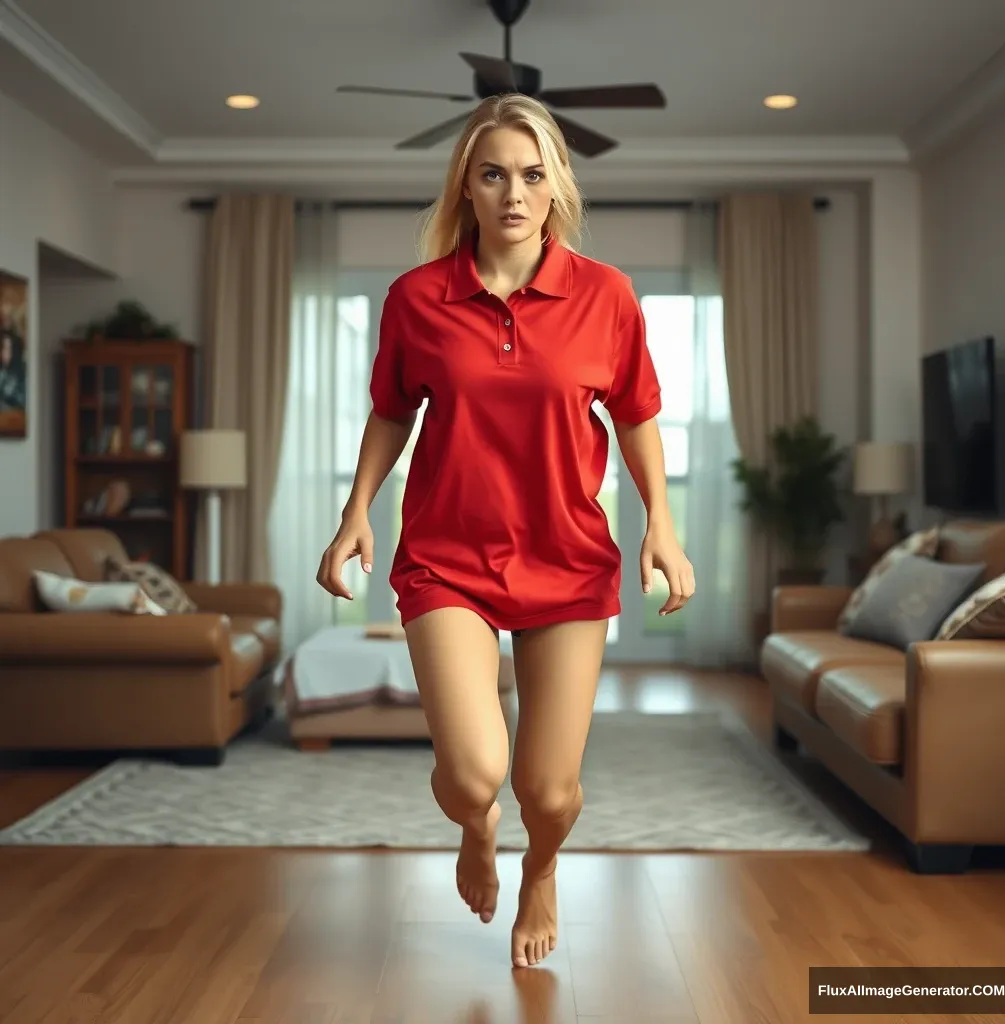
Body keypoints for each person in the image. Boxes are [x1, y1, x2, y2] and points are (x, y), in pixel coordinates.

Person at [317, 93, 695, 968]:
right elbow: (390, 411)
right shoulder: (417, 298)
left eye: (531, 174)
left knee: (551, 792)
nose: (513, 193)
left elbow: (637, 415)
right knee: (474, 776)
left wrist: (661, 530)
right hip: (446, 558)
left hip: (567, 560)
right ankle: (477, 833)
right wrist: (354, 513)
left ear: (555, 185)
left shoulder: (606, 296)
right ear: (467, 188)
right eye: (493, 174)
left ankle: (542, 870)